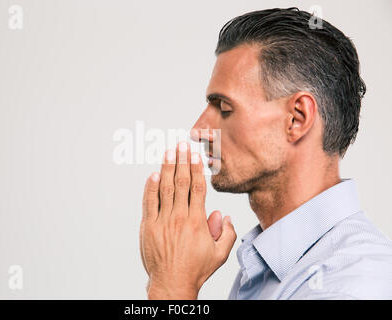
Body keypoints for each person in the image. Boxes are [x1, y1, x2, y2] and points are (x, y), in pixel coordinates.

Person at [139, 7, 392, 300]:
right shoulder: (272, 268)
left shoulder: (353, 284)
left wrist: (173, 287)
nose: (198, 130)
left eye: (223, 108)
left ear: (296, 118)